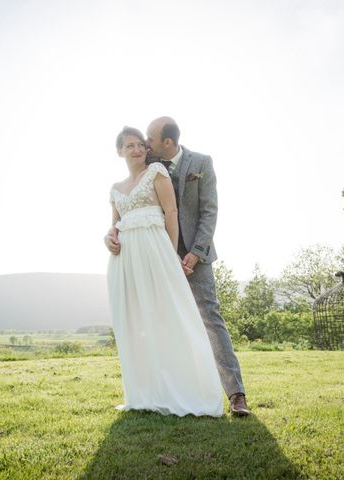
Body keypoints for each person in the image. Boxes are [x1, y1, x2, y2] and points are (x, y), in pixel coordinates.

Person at [105, 117, 251, 416]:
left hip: (192, 255)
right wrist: (111, 233)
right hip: (150, 255)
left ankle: (236, 394)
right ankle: (167, 389)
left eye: (148, 139)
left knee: (209, 318)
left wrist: (195, 253)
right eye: (136, 142)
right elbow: (121, 216)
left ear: (166, 142)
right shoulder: (146, 163)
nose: (144, 144)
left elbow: (210, 211)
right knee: (156, 321)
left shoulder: (200, 162)